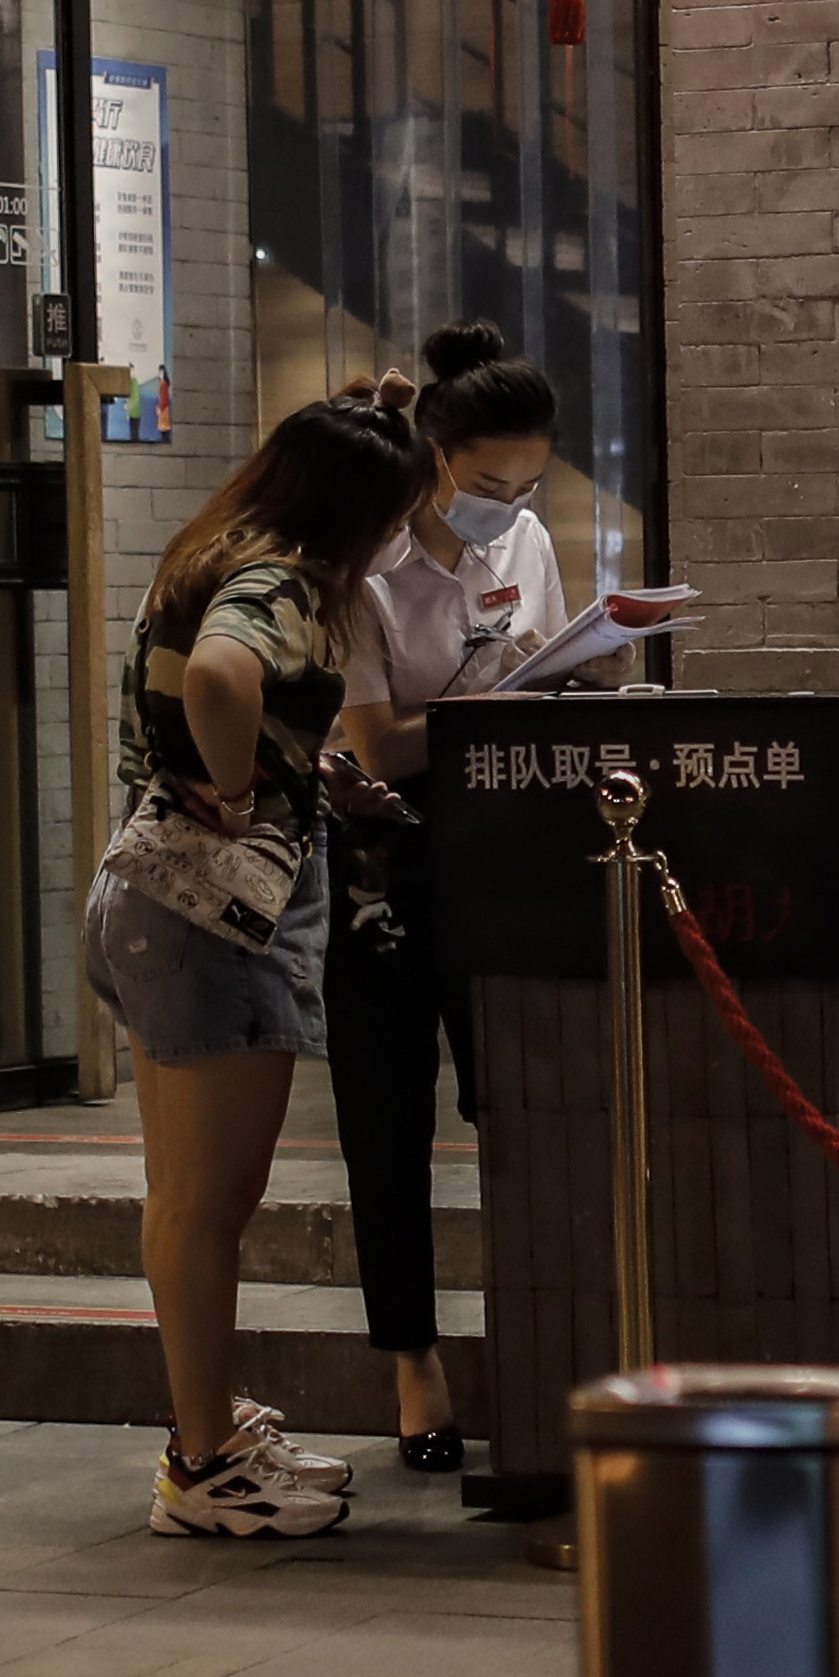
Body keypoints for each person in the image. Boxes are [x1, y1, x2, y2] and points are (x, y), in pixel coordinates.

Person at [92, 392, 426, 1539]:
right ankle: (202, 1463)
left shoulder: (216, 546)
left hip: (156, 897)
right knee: (204, 1202)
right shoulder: (282, 580)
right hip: (210, 918)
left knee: (189, 1199)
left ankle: (210, 1429)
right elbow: (224, 679)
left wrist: (295, 770)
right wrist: (240, 792)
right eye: (396, 515)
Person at [329, 323, 573, 1485]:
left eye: (526, 484)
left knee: (518, 1106)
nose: (507, 505)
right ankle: (412, 1362)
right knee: (387, 1122)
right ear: (431, 453)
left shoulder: (523, 536)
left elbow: (551, 662)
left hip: (505, 850)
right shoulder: (364, 567)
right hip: (382, 863)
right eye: (486, 484)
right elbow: (375, 741)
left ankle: (541, 1341)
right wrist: (494, 712)